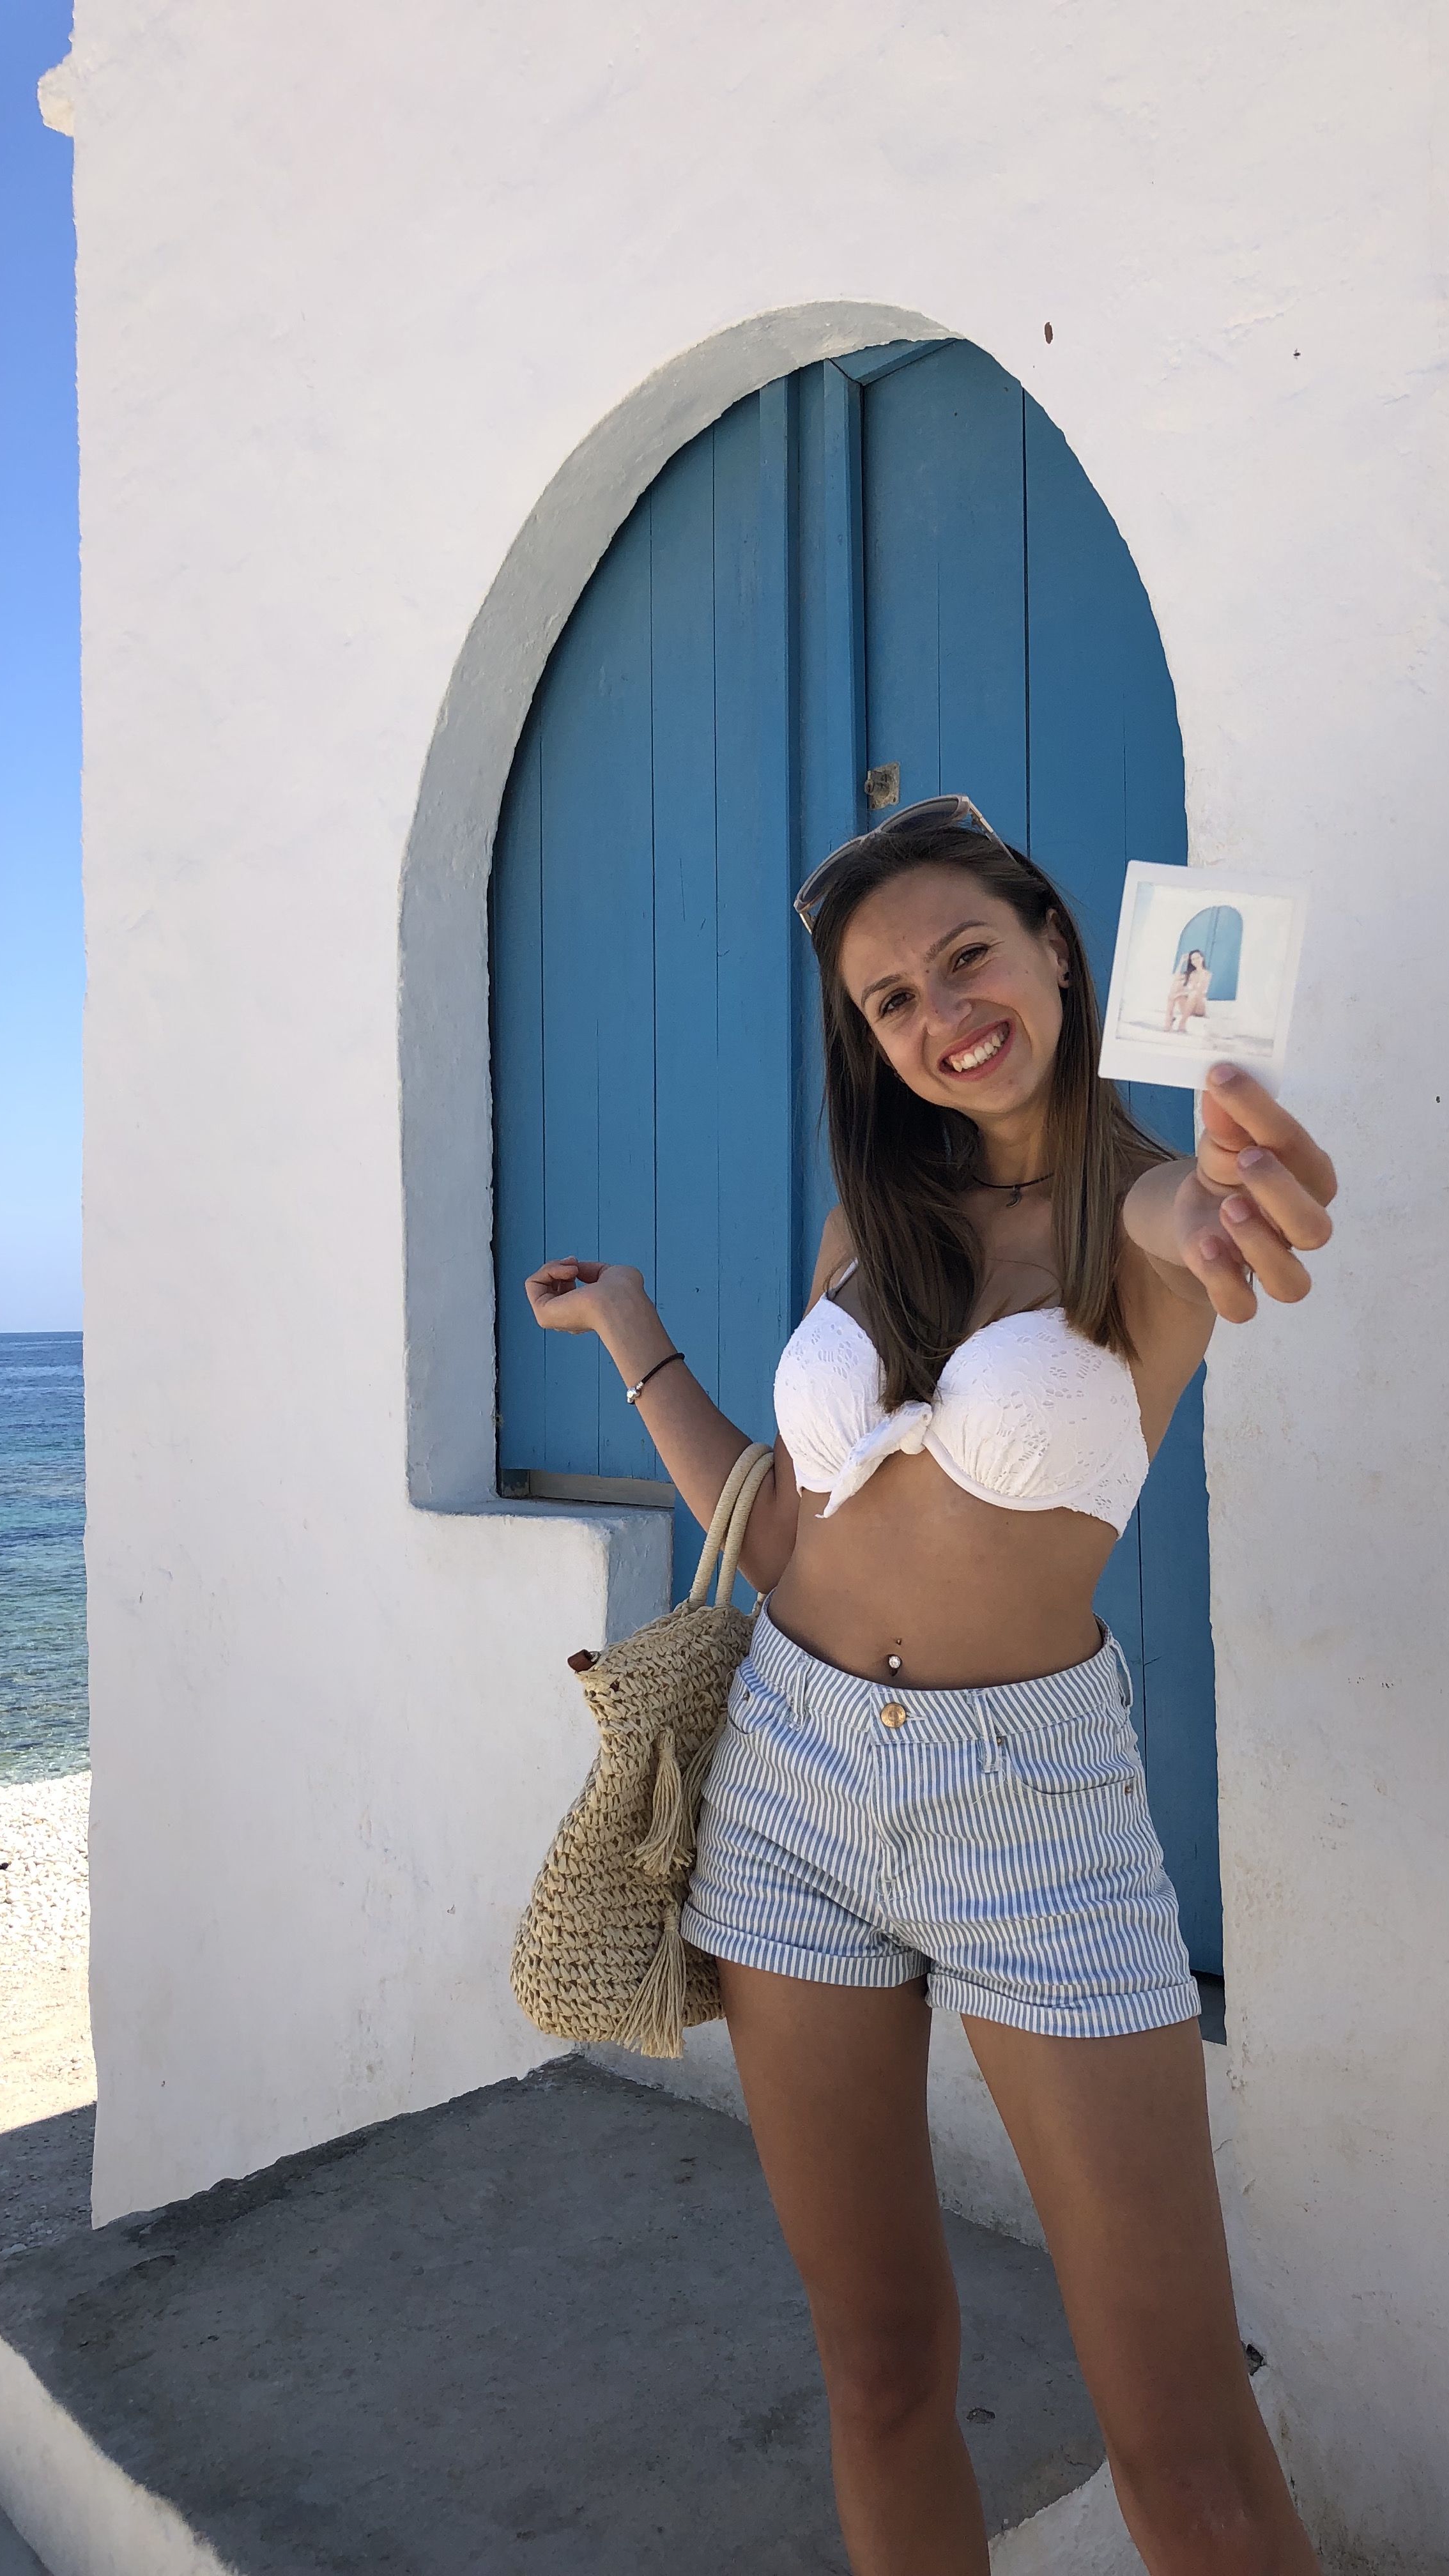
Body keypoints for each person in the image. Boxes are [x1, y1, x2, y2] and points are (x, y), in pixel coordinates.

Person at [525, 795, 1337, 2576]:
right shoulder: (863, 1225)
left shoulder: (1148, 1224)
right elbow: (788, 1525)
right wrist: (633, 1329)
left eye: (966, 953)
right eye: (889, 999)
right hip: (790, 1791)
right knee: (881, 2368)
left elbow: (1227, 1222)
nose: (939, 1011)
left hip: (1033, 1823)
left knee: (1184, 2454)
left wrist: (1249, 1192)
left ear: (1053, 944)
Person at [1166, 944, 1213, 1031]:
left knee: (1194, 994)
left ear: (1202, 958)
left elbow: (1201, 991)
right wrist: (1182, 962)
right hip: (1187, 1005)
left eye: (1198, 958)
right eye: (1193, 959)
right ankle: (1169, 1019)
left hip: (1199, 1007)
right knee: (1176, 985)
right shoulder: (1191, 974)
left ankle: (1182, 1023)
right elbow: (1176, 978)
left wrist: (1183, 993)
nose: (1196, 961)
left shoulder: (1207, 974)